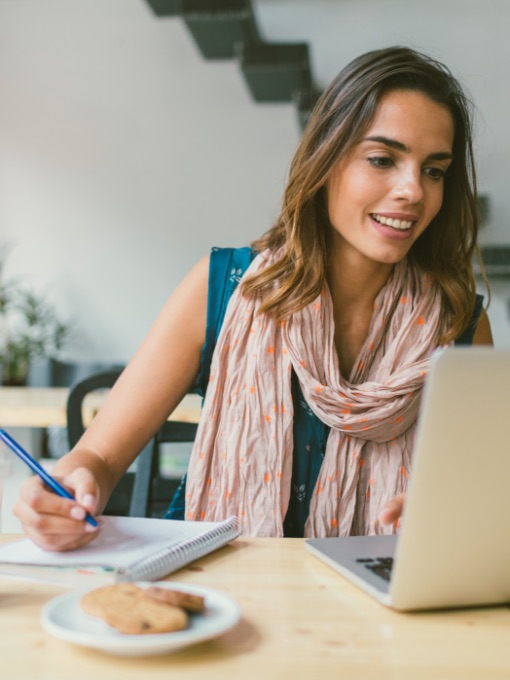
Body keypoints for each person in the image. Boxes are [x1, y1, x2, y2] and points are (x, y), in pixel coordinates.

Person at [15, 46, 492, 550]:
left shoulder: (458, 326)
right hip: (223, 593)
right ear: (325, 160)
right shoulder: (221, 287)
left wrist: (452, 513)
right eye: (382, 159)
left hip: (384, 609)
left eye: (434, 170)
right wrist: (67, 490)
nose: (413, 190)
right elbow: (100, 459)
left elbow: (486, 501)